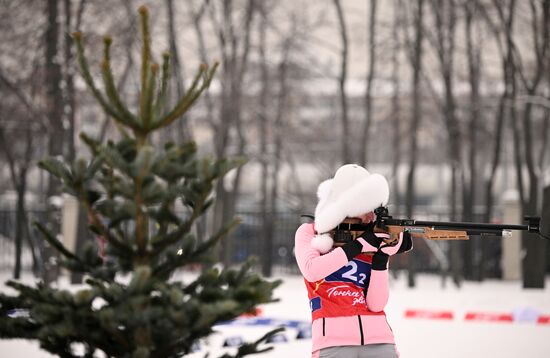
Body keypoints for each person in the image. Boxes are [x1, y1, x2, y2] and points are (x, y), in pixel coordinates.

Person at [294, 164, 412, 358]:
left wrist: (381, 259)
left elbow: (376, 304)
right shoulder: (310, 232)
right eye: (363, 206)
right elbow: (312, 270)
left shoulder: (371, 237)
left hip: (380, 341)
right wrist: (358, 246)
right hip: (332, 343)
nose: (368, 214)